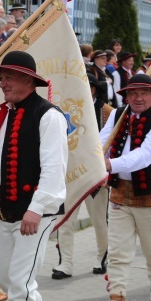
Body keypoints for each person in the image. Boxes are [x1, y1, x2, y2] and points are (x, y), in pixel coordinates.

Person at [0, 51, 67, 301]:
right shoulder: (6, 115)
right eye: (1, 77)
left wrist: (36, 208)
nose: (2, 83)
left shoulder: (49, 116)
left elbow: (54, 170)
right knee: (5, 276)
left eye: (10, 77)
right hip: (7, 208)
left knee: (18, 281)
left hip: (37, 211)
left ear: (29, 81)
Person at [93, 73, 151, 301]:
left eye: (144, 93)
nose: (138, 98)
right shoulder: (118, 115)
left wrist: (108, 165)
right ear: (125, 95)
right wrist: (92, 159)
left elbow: (144, 156)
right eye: (132, 93)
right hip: (119, 192)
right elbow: (100, 143)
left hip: (149, 196)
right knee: (117, 251)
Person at [52, 73, 111, 279]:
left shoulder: (106, 112)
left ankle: (103, 257)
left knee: (99, 221)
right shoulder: (62, 107)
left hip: (95, 176)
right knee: (64, 220)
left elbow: (113, 142)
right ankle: (65, 262)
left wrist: (106, 169)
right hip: (69, 172)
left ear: (92, 89)